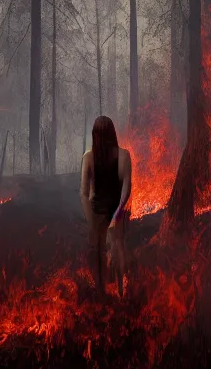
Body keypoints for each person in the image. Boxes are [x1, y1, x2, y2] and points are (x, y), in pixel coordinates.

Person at [79, 115, 132, 297]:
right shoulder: (122, 155)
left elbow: (83, 194)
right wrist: (112, 216)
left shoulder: (91, 157)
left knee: (110, 249)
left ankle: (110, 291)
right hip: (109, 211)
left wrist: (94, 221)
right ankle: (117, 292)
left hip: (106, 211)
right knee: (113, 247)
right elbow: (125, 191)